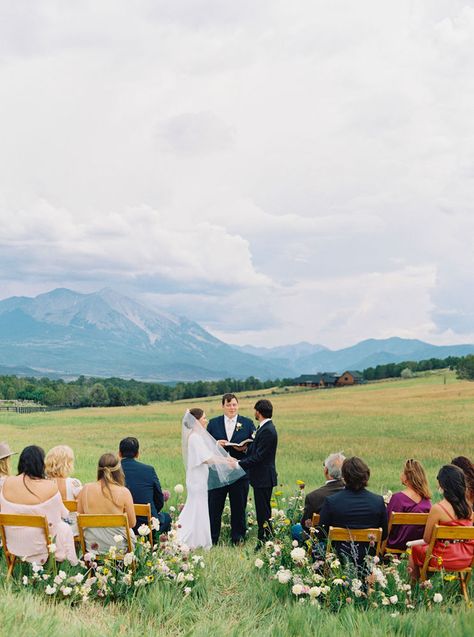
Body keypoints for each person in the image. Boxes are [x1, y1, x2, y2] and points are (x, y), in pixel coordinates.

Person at [177, 408, 245, 550]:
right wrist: (227, 462)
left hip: (199, 479)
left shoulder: (196, 436)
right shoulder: (195, 438)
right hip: (197, 481)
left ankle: (197, 540)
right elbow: (207, 459)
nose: (206, 420)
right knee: (195, 508)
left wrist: (227, 458)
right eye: (204, 418)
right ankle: (184, 538)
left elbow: (208, 455)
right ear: (196, 421)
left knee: (199, 509)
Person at [0, 445, 78, 565]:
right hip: (39, 548)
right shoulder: (50, 487)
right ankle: (68, 563)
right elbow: (64, 514)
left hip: (13, 545)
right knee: (64, 527)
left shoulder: (7, 483)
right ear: (42, 464)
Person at [319, 456, 388, 566]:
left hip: (338, 560)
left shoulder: (332, 501)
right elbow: (383, 535)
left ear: (344, 477)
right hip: (368, 560)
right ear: (366, 475)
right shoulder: (378, 501)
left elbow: (321, 533)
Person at [409, 464, 474, 580]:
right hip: (465, 559)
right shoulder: (469, 511)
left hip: (442, 559)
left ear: (442, 484)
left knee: (415, 549)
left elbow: (427, 539)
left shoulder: (438, 509)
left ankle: (414, 588)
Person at [207, 393, 256, 545]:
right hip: (217, 473)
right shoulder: (213, 424)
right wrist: (216, 445)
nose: (231, 408)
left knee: (239, 507)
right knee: (214, 507)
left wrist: (245, 449)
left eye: (234, 404)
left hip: (239, 472)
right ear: (223, 406)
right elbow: (205, 448)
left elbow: (255, 448)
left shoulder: (247, 423)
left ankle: (238, 538)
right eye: (228, 405)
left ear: (238, 405)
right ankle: (213, 538)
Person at [77, 452, 136, 554]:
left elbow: (79, 519)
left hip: (93, 546)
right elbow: (132, 523)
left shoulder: (85, 489)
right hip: (118, 546)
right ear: (118, 470)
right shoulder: (124, 492)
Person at [237, 399, 278, 547]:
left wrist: (239, 463)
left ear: (258, 412)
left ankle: (264, 540)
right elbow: (258, 450)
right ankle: (266, 538)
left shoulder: (267, 430)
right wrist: (245, 449)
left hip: (264, 477)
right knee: (263, 510)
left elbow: (260, 457)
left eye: (255, 410)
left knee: (263, 511)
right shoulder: (264, 428)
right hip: (261, 477)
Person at [119, 436, 171, 535]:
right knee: (167, 518)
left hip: (122, 524)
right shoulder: (148, 470)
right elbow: (159, 498)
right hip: (147, 524)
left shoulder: (113, 472)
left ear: (119, 453)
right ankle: (156, 546)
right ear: (137, 454)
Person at [385, 458, 432, 551]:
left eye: (403, 472)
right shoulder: (427, 502)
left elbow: (387, 525)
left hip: (395, 545)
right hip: (417, 547)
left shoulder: (397, 498)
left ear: (407, 477)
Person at [45, 445, 82, 536]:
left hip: (50, 528)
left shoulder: (44, 483)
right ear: (67, 464)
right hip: (72, 529)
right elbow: (82, 506)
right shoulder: (74, 484)